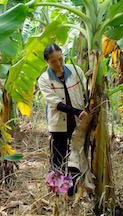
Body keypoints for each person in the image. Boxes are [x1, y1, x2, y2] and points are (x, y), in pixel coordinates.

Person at [37, 44, 91, 195]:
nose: (59, 63)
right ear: (47, 62)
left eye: (60, 59)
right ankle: (58, 195)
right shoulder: (44, 79)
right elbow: (55, 103)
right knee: (58, 159)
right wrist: (76, 111)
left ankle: (72, 192)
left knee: (76, 156)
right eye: (54, 61)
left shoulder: (76, 71)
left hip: (78, 124)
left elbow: (87, 91)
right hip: (59, 125)